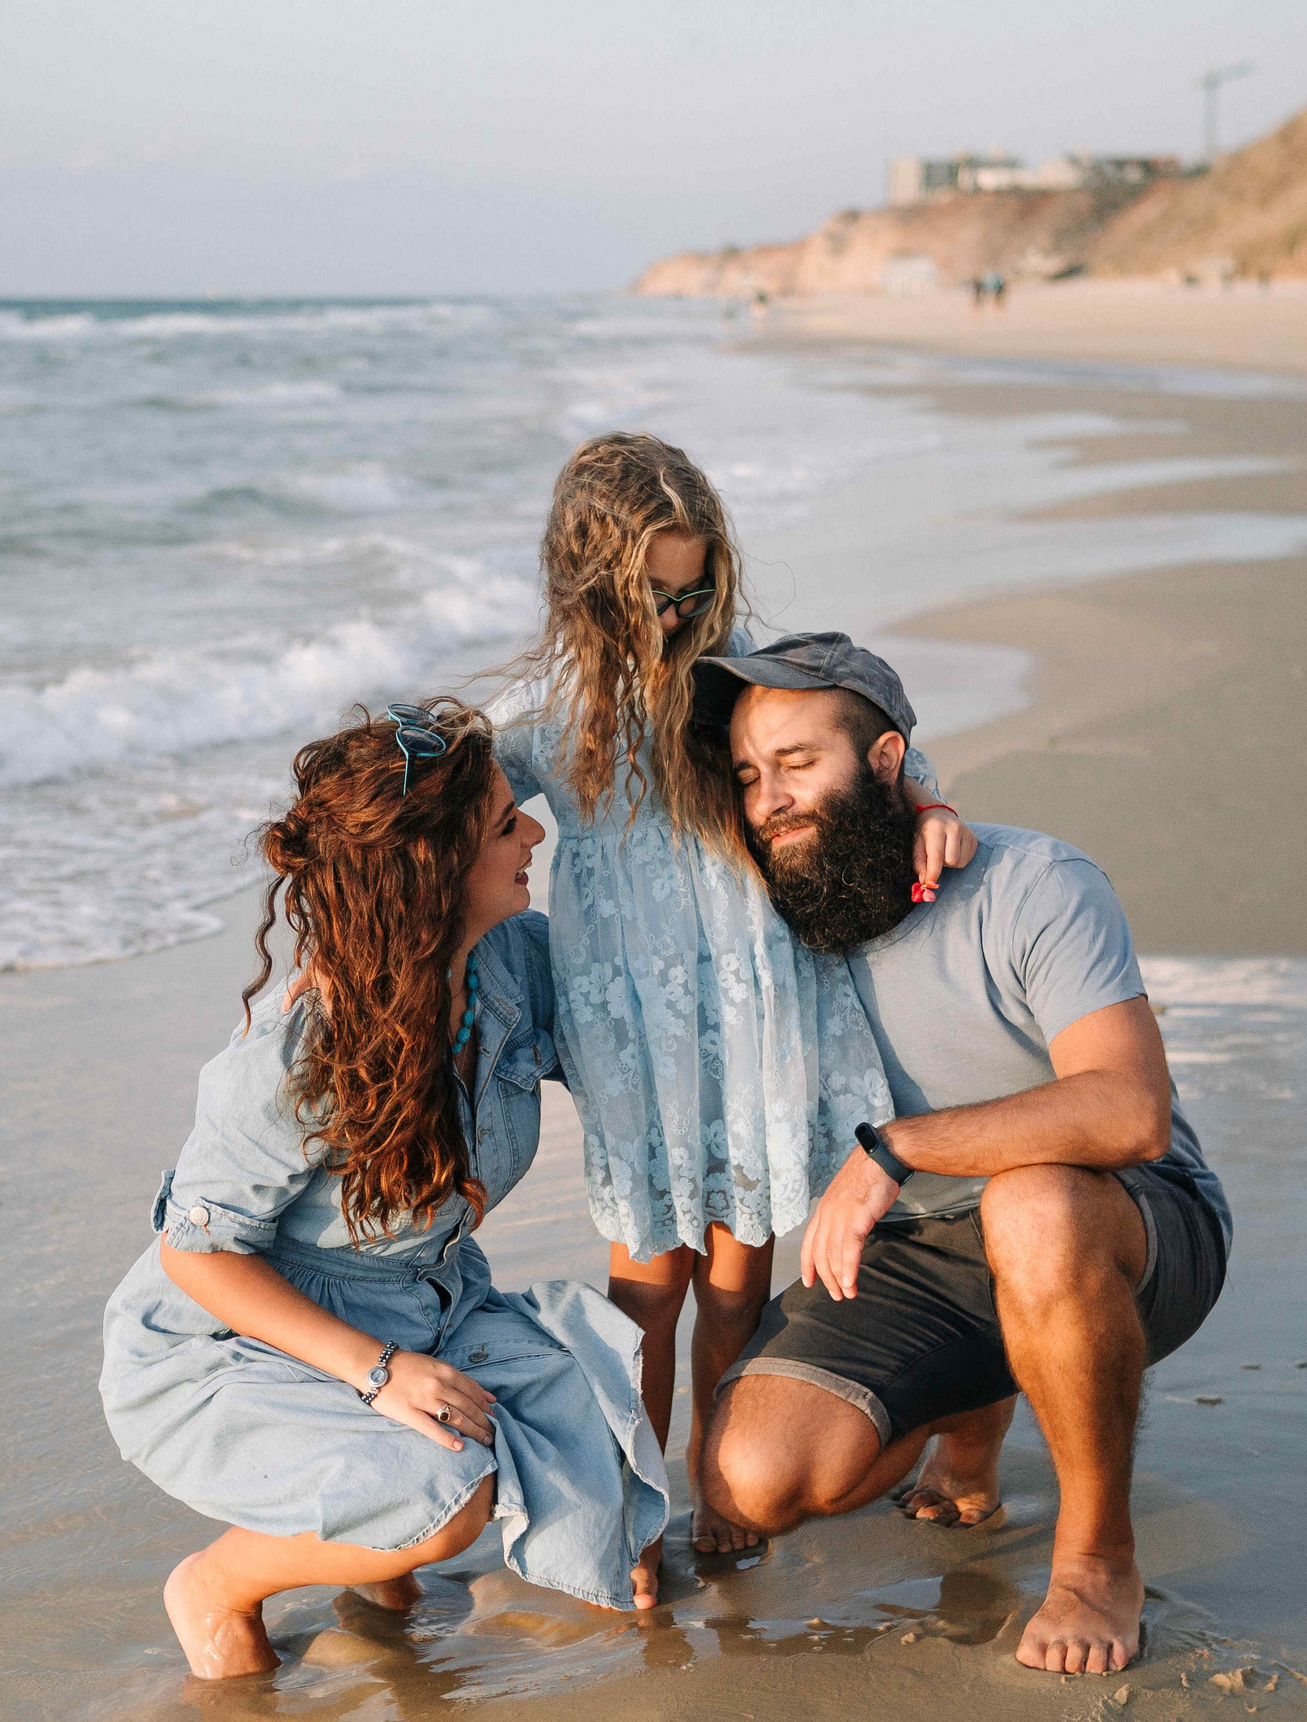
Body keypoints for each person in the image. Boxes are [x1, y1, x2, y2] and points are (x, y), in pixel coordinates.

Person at [689, 634, 1230, 1676]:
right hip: (918, 1249)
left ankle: (1093, 1558)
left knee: (1028, 1208)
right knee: (754, 1479)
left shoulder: (1033, 881)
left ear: (887, 762)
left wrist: (901, 1145)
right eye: (752, 776)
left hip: (1121, 1219)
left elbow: (1131, 1112)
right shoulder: (767, 916)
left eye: (799, 764)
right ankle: (977, 1410)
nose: (771, 800)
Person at [97, 699, 669, 1679]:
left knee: (601, 1433)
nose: (534, 830)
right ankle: (218, 1581)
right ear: (434, 871)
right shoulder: (297, 1051)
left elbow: (655, 1007)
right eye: (503, 824)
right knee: (447, 1502)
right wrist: (375, 1373)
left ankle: (372, 1549)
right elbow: (198, 1254)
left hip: (431, 1305)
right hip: (238, 1336)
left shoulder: (507, 969)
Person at [490, 434, 976, 1568]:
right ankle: (629, 1501)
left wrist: (929, 802)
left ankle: (719, 1480)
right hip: (632, 1037)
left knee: (735, 1279)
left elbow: (859, 742)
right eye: (648, 595)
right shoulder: (548, 710)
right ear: (588, 587)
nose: (673, 614)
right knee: (644, 1287)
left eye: (693, 588)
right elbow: (452, 813)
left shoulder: (746, 674)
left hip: (754, 1011)